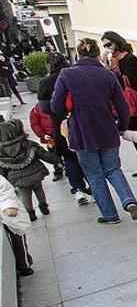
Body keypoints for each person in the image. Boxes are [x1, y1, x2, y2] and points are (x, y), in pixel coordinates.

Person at [51, 38, 137, 225]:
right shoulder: (108, 75)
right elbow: (123, 107)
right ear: (96, 54)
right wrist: (121, 127)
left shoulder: (67, 74)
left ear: (78, 53)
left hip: (82, 132)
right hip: (107, 128)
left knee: (94, 174)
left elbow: (56, 105)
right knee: (113, 168)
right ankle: (129, 201)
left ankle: (110, 215)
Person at [101, 31, 137, 179]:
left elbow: (129, 81)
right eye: (105, 46)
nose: (108, 48)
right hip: (121, 101)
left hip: (132, 100)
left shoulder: (129, 59)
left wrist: (109, 71)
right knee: (131, 133)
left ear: (116, 42)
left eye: (109, 44)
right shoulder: (114, 60)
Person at [38, 53, 90, 206]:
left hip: (60, 125)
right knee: (87, 156)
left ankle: (78, 189)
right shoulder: (77, 74)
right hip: (82, 121)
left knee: (69, 158)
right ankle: (94, 186)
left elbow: (45, 108)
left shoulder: (45, 82)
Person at [0, 122, 60, 221]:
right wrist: (56, 161)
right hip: (35, 172)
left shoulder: (2, 151)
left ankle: (31, 214)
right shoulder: (28, 143)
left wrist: (5, 180)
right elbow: (43, 154)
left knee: (25, 195)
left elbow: (2, 169)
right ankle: (44, 207)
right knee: (39, 189)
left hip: (17, 178)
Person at [0, 174, 35, 276]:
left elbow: (5, 191)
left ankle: (23, 265)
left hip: (8, 212)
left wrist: (8, 206)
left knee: (18, 238)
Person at [29, 103, 64, 182]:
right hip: (50, 137)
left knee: (68, 155)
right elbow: (35, 124)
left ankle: (69, 170)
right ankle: (58, 170)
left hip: (63, 134)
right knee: (53, 155)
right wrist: (42, 134)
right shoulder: (36, 109)